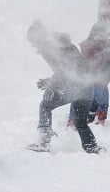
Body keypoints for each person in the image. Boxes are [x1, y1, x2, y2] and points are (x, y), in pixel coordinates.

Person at [27, 20, 105, 154]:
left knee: (45, 105)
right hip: (87, 87)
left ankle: (44, 142)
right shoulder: (63, 44)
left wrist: (52, 85)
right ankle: (92, 147)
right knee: (80, 122)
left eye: (34, 41)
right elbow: (68, 70)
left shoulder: (49, 48)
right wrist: (51, 81)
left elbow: (66, 71)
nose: (34, 46)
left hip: (75, 87)